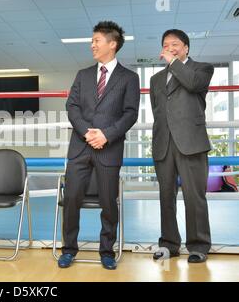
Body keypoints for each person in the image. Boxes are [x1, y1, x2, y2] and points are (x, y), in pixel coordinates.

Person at [59, 21, 140, 270]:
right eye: (92, 40)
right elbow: (71, 107)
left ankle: (107, 251)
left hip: (109, 148)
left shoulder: (130, 78)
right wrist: (87, 133)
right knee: (71, 199)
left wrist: (106, 135)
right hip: (80, 147)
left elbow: (130, 114)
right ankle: (69, 249)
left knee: (108, 202)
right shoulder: (82, 75)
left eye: (96, 40)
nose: (92, 44)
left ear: (112, 44)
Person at [150, 29, 213, 263]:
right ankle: (168, 244)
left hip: (191, 143)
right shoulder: (156, 79)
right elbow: (158, 110)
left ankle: (198, 246)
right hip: (164, 144)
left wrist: (174, 63)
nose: (170, 47)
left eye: (175, 44)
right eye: (166, 44)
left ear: (186, 47)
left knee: (194, 197)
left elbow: (193, 85)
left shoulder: (202, 69)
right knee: (166, 196)